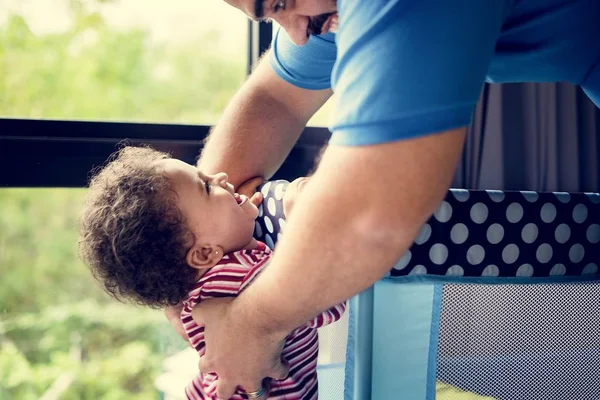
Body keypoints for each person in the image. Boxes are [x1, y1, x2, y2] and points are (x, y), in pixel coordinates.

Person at [187, 0, 600, 398]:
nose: (295, 35)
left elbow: (371, 211)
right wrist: (181, 271)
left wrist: (250, 325)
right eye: (273, 15)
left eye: (279, 3)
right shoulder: (327, 15)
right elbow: (273, 99)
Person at [78, 146, 346, 400]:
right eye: (206, 187)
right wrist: (307, 220)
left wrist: (244, 214)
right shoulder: (245, 276)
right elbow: (331, 305)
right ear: (205, 254)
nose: (221, 175)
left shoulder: (204, 290)